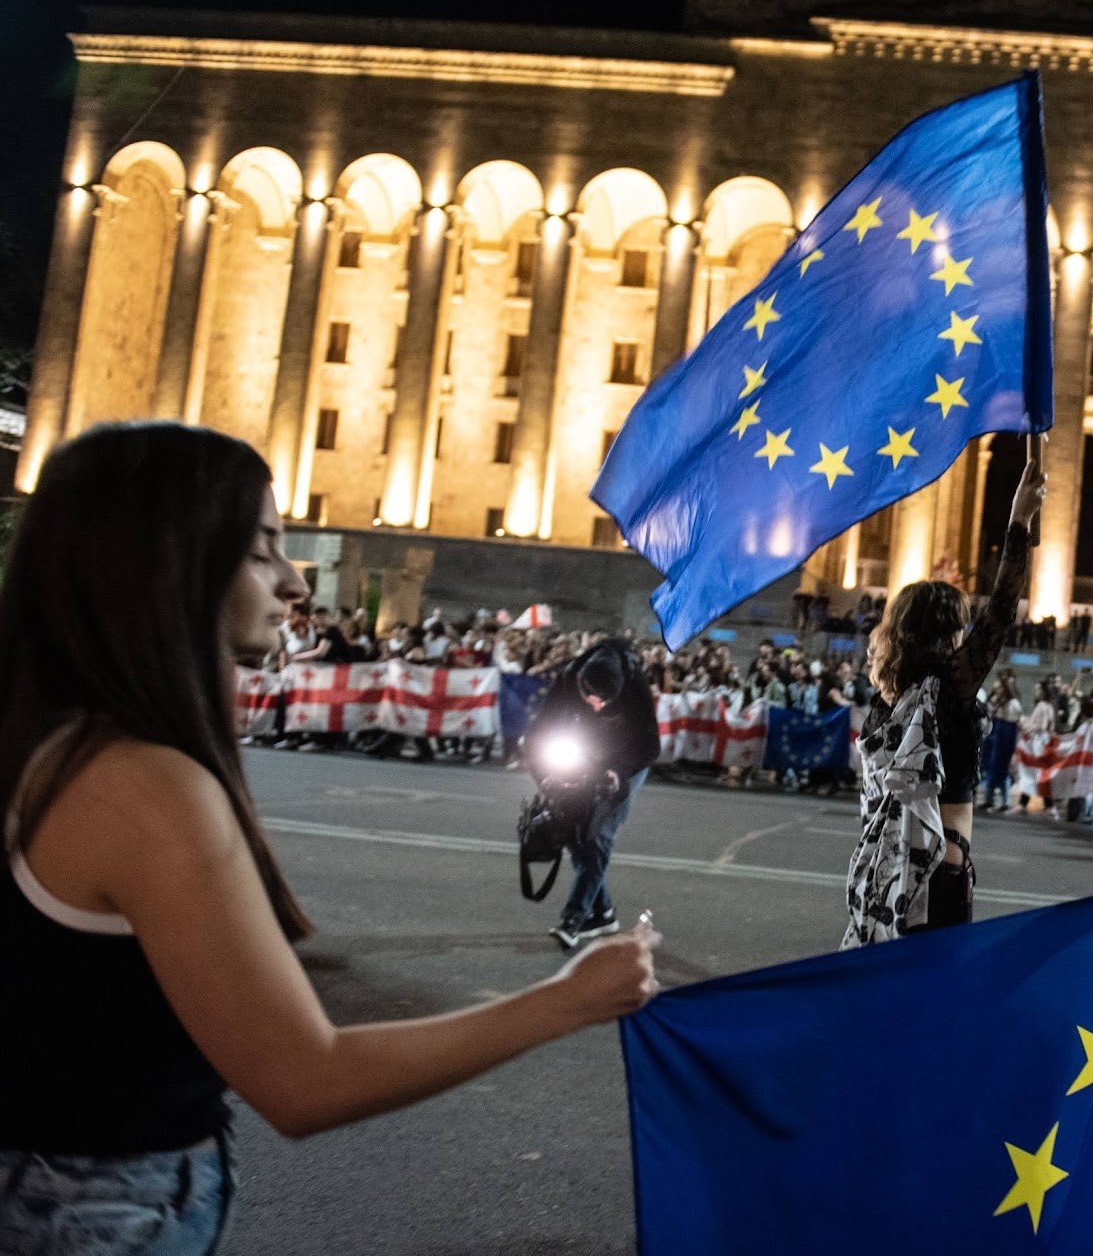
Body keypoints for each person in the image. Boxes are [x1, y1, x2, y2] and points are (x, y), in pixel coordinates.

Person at [0, 423, 656, 1252]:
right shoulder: (148, 785)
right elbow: (302, 1077)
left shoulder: (52, 742)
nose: (293, 583)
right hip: (98, 1212)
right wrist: (567, 998)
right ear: (174, 562)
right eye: (263, 549)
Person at [843, 454, 1044, 944]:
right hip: (940, 869)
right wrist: (1018, 524)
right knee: (932, 1004)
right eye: (958, 624)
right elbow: (1000, 611)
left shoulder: (887, 701)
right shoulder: (948, 692)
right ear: (947, 630)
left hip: (883, 869)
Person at [523, 638, 660, 948]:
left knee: (598, 833)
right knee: (573, 829)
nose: (597, 706)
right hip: (582, 753)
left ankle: (575, 917)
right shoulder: (567, 679)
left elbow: (650, 745)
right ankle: (602, 913)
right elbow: (537, 735)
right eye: (591, 698)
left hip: (626, 761)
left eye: (605, 702)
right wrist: (546, 778)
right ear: (581, 683)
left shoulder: (634, 682)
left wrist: (618, 773)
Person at [981, 670, 1023, 814]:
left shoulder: (1013, 703)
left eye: (1000, 688)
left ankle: (1005, 801)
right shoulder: (998, 703)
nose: (996, 691)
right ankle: (989, 799)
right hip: (998, 734)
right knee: (993, 767)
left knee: (1003, 769)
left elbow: (1015, 722)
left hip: (1006, 735)